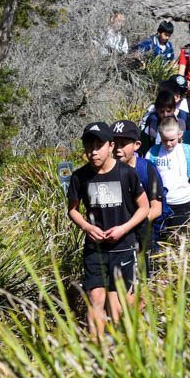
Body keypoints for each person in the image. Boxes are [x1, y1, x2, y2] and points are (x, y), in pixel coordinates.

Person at [67, 121, 149, 338]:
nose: (93, 151)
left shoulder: (126, 174)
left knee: (118, 304)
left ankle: (123, 350)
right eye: (88, 146)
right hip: (95, 249)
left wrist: (124, 228)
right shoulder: (79, 177)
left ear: (111, 146)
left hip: (123, 248)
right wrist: (86, 226)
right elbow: (73, 210)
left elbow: (144, 207)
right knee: (96, 300)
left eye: (98, 145)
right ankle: (98, 353)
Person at [110, 119, 165, 278]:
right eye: (115, 144)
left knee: (143, 281)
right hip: (116, 240)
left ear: (137, 145)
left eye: (123, 144)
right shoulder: (107, 172)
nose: (118, 149)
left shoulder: (145, 169)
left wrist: (133, 225)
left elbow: (156, 207)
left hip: (142, 238)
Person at [145, 117, 190, 243]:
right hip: (160, 205)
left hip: (182, 205)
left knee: (181, 242)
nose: (168, 144)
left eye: (172, 140)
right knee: (160, 243)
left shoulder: (187, 151)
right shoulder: (153, 153)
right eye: (164, 140)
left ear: (179, 135)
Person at [140, 75, 190, 152]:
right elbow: (144, 147)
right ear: (156, 109)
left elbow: (189, 145)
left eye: (168, 111)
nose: (165, 115)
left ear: (174, 109)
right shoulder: (152, 123)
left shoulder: (183, 122)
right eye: (161, 111)